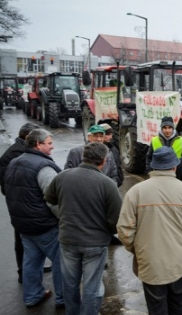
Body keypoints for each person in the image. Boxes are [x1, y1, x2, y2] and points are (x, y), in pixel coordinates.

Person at [118, 147, 182, 315]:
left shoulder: (135, 192)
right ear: (174, 167)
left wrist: (137, 249)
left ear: (153, 167)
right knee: (177, 304)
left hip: (149, 263)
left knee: (156, 307)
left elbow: (125, 231)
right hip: (177, 262)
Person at [44, 142, 122, 315]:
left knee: (70, 284)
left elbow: (49, 197)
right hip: (95, 243)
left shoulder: (63, 176)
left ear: (83, 157)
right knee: (92, 286)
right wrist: (107, 230)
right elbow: (116, 219)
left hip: (68, 239)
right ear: (103, 160)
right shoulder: (107, 183)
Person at [4, 128, 64, 308]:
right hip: (45, 226)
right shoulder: (44, 167)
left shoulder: (15, 162)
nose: (52, 147)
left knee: (31, 261)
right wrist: (64, 219)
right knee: (62, 262)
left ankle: (32, 296)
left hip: (23, 224)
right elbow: (54, 200)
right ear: (38, 144)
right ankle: (64, 298)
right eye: (49, 143)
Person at [0, 122, 40, 283]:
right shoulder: (14, 155)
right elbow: (5, 185)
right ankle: (23, 272)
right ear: (27, 137)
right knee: (23, 240)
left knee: (31, 240)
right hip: (21, 204)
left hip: (23, 202)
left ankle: (31, 267)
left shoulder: (20, 151)